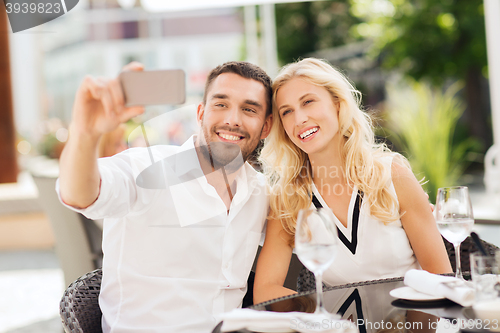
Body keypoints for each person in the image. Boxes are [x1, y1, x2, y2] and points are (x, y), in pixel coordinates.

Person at [57, 61, 273, 332]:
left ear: (266, 127)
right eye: (221, 104)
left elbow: (302, 247)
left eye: (249, 109)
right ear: (201, 113)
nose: (233, 119)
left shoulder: (261, 192)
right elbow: (80, 194)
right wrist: (84, 133)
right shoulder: (146, 168)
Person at [253, 58, 452, 304]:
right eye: (287, 111)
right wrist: (322, 316)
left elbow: (441, 277)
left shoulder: (392, 175)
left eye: (308, 102)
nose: (299, 118)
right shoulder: (288, 198)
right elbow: (265, 289)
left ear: (337, 104)